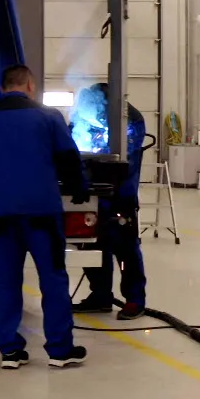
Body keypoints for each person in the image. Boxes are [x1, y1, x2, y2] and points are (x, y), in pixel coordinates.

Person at [0, 65, 91, 369]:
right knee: (53, 278)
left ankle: (10, 351)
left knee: (4, 280)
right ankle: (59, 350)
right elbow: (69, 159)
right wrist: (79, 188)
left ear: (3, 88)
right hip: (42, 212)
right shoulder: (48, 117)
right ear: (30, 86)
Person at [66, 84, 149, 320]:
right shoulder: (83, 117)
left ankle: (135, 300)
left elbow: (123, 158)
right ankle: (100, 295)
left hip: (120, 194)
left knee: (125, 248)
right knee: (92, 245)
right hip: (93, 195)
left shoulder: (128, 120)